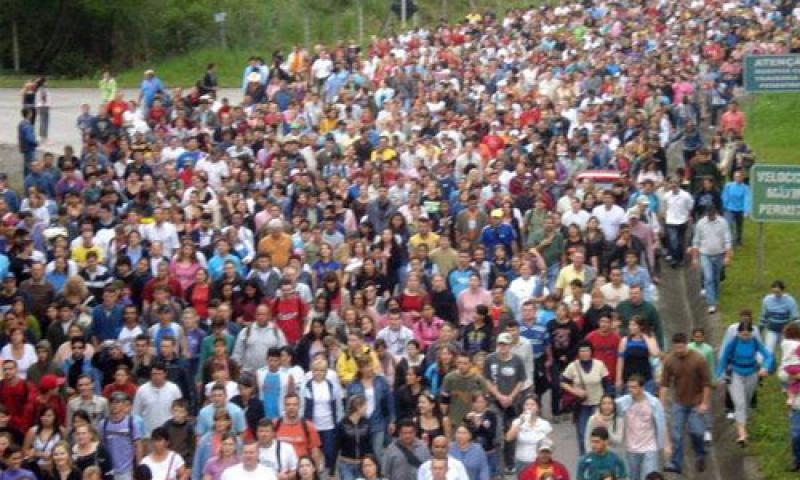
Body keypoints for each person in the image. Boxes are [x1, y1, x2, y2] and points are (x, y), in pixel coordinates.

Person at [660, 333, 711, 474]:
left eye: (682, 347)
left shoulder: (699, 359)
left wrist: (705, 403)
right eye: (676, 348)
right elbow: (664, 384)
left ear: (686, 344)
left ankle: (700, 454)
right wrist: (661, 403)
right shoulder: (670, 360)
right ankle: (676, 463)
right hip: (679, 402)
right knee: (676, 434)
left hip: (696, 402)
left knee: (697, 432)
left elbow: (707, 384)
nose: (679, 351)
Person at [715, 321, 772, 445]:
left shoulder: (755, 341)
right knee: (739, 403)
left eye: (748, 334)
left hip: (752, 374)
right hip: (736, 374)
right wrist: (717, 375)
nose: (745, 337)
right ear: (739, 333)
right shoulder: (733, 342)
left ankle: (743, 427)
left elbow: (768, 356)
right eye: (743, 335)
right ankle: (742, 433)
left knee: (746, 402)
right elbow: (724, 359)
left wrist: (765, 367)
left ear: (751, 333)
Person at [484, 332, 527, 475]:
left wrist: (511, 396)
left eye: (505, 344)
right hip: (494, 402)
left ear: (510, 346)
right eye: (500, 344)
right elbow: (487, 379)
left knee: (511, 433)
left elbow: (521, 380)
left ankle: (510, 463)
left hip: (513, 403)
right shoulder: (490, 359)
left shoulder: (518, 360)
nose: (503, 347)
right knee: (496, 434)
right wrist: (499, 396)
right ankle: (496, 465)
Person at [616, 375, 666, 480]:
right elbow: (606, 406)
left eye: (634, 387)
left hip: (650, 446)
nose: (631, 390)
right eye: (629, 387)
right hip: (631, 447)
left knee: (650, 476)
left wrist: (666, 444)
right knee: (634, 477)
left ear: (642, 388)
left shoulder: (654, 403)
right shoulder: (622, 402)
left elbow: (662, 423)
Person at [691, 206, 732, 314]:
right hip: (705, 254)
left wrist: (727, 256)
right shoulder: (700, 224)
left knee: (716, 278)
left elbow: (727, 240)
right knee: (708, 278)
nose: (711, 217)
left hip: (719, 254)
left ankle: (715, 298)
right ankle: (711, 303)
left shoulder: (723, 223)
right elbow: (696, 241)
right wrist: (695, 258)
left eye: (712, 215)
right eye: (709, 216)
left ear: (716, 214)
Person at [273, 393, 323, 471]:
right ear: (284, 407)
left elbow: (315, 452)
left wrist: (315, 474)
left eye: (294, 404)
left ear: (299, 406)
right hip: (281, 472)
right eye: (288, 405)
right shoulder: (275, 424)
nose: (291, 407)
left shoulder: (308, 426)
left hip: (301, 472)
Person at [505, 394, 552, 473]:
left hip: (539, 462)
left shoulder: (544, 424)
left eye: (532, 404)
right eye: (526, 404)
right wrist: (520, 422)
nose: (529, 407)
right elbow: (508, 438)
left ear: (538, 408)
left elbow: (549, 445)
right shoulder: (517, 421)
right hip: (522, 461)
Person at [759, 280, 799, 358]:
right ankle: (768, 367)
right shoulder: (767, 300)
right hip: (772, 330)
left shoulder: (790, 301)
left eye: (778, 292)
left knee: (786, 350)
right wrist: (760, 328)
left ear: (783, 290)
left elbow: (795, 318)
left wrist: (797, 332)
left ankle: (784, 366)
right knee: (768, 350)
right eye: (774, 292)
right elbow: (764, 316)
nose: (776, 294)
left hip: (785, 331)